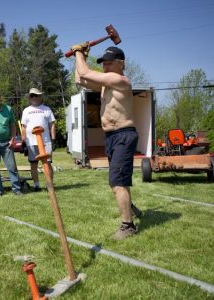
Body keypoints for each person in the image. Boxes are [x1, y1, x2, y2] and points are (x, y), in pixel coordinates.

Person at [71, 44, 142, 240]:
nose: (105, 67)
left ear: (121, 64)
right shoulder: (106, 84)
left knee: (117, 181)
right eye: (103, 64)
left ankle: (128, 227)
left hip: (123, 135)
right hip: (111, 136)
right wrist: (82, 56)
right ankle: (128, 206)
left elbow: (84, 71)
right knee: (117, 180)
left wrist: (78, 53)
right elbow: (81, 79)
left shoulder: (119, 80)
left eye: (109, 63)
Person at [21, 88, 56, 192]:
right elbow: (24, 127)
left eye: (36, 95)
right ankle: (36, 185)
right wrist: (23, 141)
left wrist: (53, 140)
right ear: (29, 98)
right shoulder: (26, 110)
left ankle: (50, 184)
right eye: (32, 95)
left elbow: (52, 125)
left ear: (40, 97)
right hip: (31, 142)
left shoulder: (47, 109)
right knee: (33, 164)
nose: (34, 97)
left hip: (45, 141)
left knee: (48, 163)